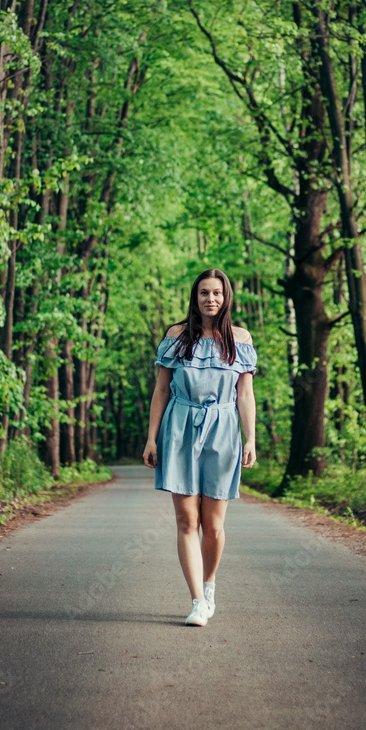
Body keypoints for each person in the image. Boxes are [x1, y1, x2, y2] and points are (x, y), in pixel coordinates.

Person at [142, 268, 257, 626]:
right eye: (204, 293)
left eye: (217, 293)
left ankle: (209, 586)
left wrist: (250, 438)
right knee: (186, 519)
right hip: (180, 427)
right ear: (195, 297)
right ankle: (196, 602)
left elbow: (245, 394)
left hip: (223, 429)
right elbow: (161, 390)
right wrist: (151, 437)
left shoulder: (240, 338)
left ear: (226, 298)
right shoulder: (177, 336)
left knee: (213, 526)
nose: (211, 299)